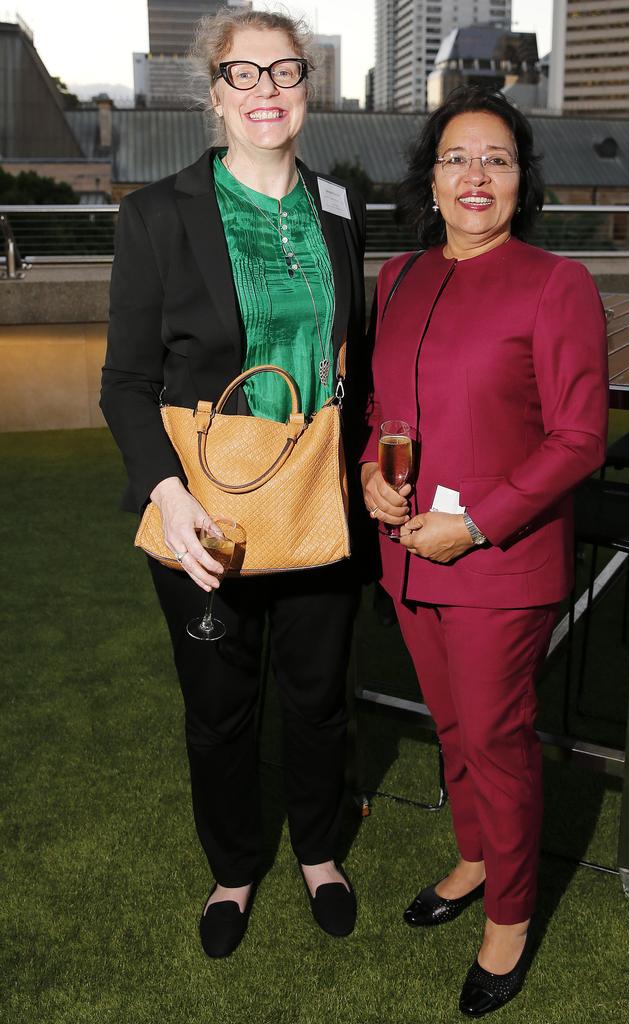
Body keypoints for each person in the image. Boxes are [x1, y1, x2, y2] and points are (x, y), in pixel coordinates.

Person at [101, 8, 366, 957]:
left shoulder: (341, 203)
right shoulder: (158, 213)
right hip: (204, 504)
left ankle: (321, 850)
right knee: (220, 708)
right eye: (242, 74)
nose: (266, 92)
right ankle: (235, 866)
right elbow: (127, 381)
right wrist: (165, 495)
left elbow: (351, 358)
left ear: (308, 86)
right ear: (212, 93)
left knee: (319, 692)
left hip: (320, 488)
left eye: (284, 72)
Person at [361, 85, 609, 1018]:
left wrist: (478, 521)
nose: (475, 177)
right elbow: (381, 416)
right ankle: (473, 856)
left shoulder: (557, 283)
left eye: (496, 161)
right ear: (431, 177)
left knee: (498, 739)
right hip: (409, 555)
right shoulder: (400, 279)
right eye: (458, 158)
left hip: (499, 564)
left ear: (520, 182)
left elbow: (581, 437)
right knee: (453, 727)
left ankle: (509, 912)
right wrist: (368, 478)